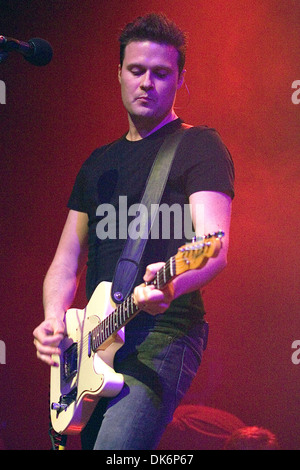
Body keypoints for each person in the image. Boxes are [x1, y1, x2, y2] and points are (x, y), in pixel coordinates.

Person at [33, 13, 234, 450]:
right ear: (118, 73)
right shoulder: (97, 162)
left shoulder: (199, 145)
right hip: (93, 340)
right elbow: (66, 260)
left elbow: (213, 247)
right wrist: (54, 319)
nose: (147, 83)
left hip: (164, 332)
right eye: (136, 70)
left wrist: (172, 282)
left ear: (181, 79)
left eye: (162, 74)